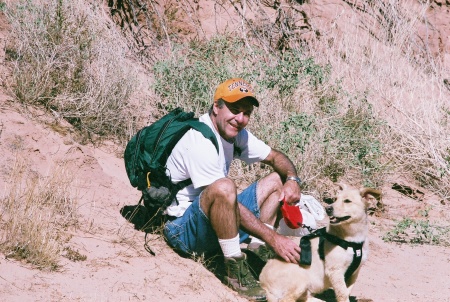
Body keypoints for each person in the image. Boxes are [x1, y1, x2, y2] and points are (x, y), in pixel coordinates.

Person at [163, 78, 302, 301]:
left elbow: (276, 157)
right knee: (225, 187)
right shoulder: (200, 139)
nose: (240, 119)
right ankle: (234, 267)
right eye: (234, 110)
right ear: (216, 106)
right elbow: (224, 197)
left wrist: (293, 179)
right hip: (183, 231)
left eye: (246, 113)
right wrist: (275, 237)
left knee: (278, 179)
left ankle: (258, 252)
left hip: (210, 218)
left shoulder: (235, 133)